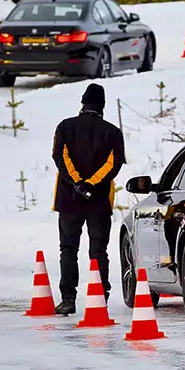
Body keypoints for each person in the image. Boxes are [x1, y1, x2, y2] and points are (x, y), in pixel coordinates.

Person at [51, 83, 126, 316]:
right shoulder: (113, 132)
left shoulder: (65, 127)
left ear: (83, 102)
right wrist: (92, 184)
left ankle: (68, 299)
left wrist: (77, 183)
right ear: (102, 106)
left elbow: (60, 157)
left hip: (69, 199)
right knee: (98, 251)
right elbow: (113, 164)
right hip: (99, 201)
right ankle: (99, 298)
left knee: (68, 249)